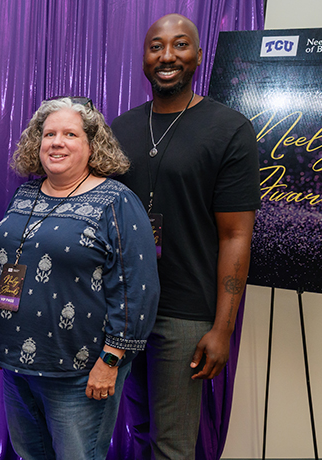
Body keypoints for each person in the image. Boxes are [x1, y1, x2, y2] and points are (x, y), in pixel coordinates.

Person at [111, 13, 260, 460]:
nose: (167, 55)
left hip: (185, 314)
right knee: (138, 431)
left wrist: (223, 327)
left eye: (180, 45)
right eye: (156, 46)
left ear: (197, 56)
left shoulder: (229, 129)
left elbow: (236, 235)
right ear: (144, 58)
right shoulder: (120, 130)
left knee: (172, 446)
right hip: (123, 308)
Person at [0, 96, 159, 459]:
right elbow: (0, 265)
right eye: (48, 134)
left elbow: (137, 289)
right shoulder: (25, 193)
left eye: (70, 134)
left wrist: (111, 361)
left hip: (79, 372)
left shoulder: (116, 201)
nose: (56, 142)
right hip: (16, 365)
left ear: (92, 145)